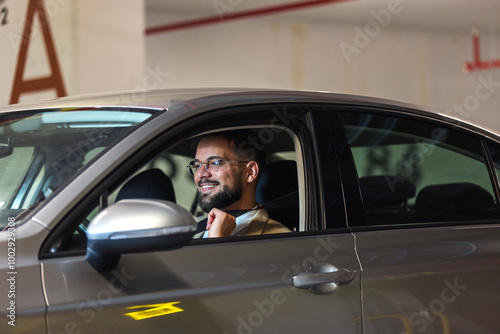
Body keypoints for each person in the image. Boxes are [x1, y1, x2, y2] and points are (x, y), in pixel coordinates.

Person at [187, 130, 291, 238]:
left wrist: (216, 241)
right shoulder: (185, 228)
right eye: (197, 165)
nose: (200, 174)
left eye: (215, 163)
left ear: (251, 172)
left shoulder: (281, 240)